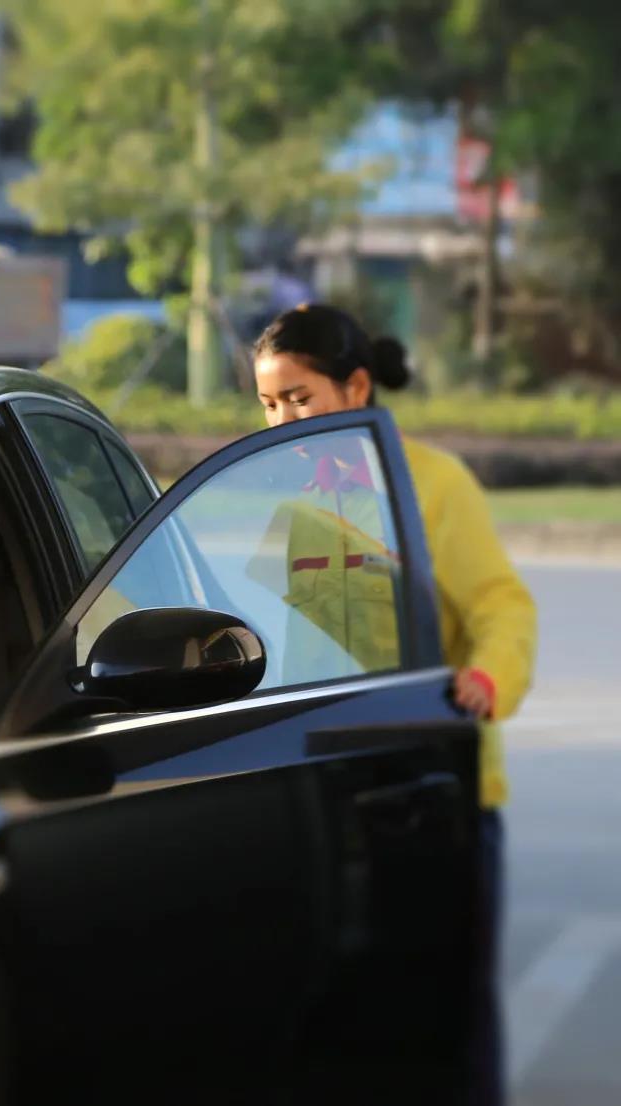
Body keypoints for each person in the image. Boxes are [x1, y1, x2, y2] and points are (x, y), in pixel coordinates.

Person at [252, 303, 537, 1105]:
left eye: (299, 398)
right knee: (344, 1013)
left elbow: (502, 607)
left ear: (356, 388)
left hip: (435, 787)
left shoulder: (436, 485)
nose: (282, 420)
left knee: (449, 1014)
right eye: (269, 403)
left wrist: (486, 681)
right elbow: (295, 641)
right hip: (329, 786)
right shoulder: (298, 501)